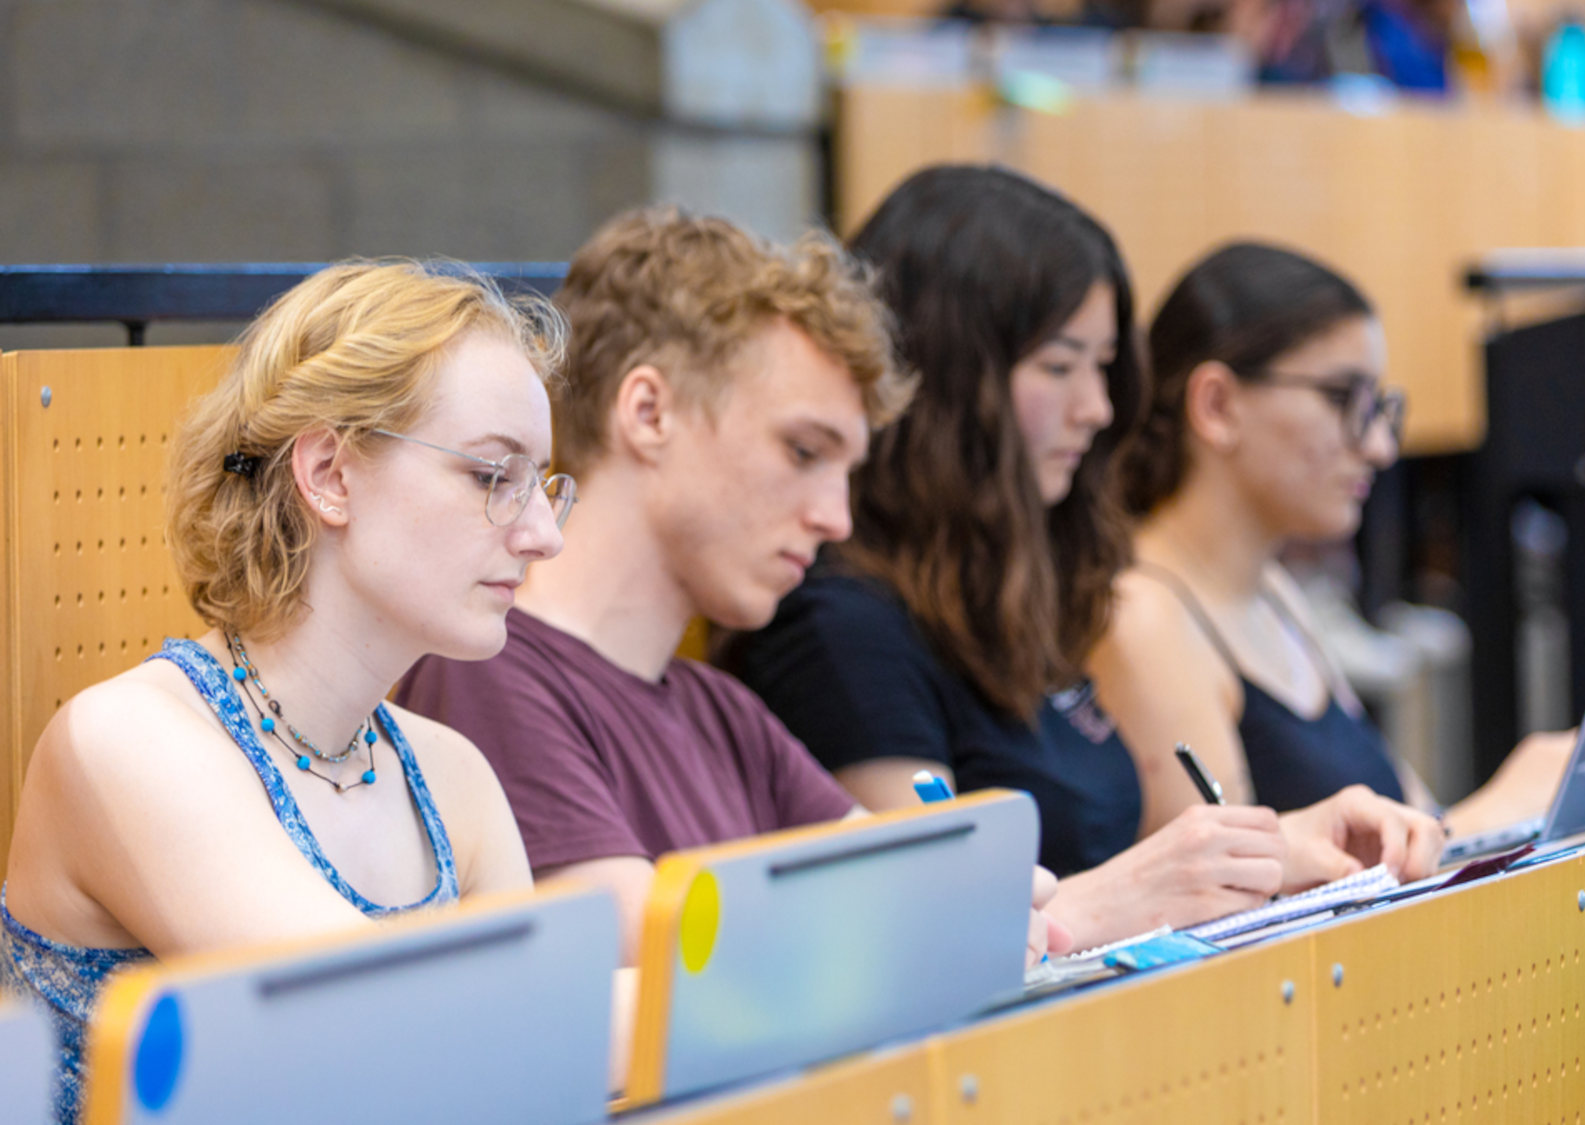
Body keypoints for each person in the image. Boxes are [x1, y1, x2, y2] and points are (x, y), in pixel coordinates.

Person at [727, 166, 1443, 952]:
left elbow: (1110, 866)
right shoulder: (843, 628)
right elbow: (924, 942)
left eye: (1102, 367)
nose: (1097, 408)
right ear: (948, 383)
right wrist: (1138, 889)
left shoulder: (1011, 600)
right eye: (1060, 366)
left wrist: (1283, 849)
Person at [393, 210, 1085, 967]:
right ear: (649, 413)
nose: (836, 517)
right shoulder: (487, 669)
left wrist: (967, 903)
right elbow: (642, 946)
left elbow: (924, 885)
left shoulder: (725, 712)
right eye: (803, 450)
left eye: (844, 471)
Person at [0, 261, 576, 1122]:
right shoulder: (128, 742)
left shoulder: (454, 776)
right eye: (494, 477)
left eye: (544, 484)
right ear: (330, 475)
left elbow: (530, 1078)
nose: (542, 535)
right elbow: (374, 1035)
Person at [1095, 240, 1571, 841]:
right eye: (1344, 400)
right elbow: (1232, 909)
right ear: (1216, 405)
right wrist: (1503, 806)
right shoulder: (1146, 620)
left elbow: (1416, 822)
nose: (1378, 447)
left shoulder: (1270, 588)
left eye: (1379, 408)